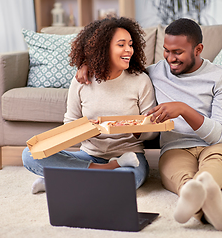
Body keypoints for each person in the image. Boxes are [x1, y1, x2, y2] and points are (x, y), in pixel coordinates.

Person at [76, 18, 222, 231]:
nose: (170, 59)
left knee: (215, 162)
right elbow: (120, 65)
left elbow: (221, 135)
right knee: (182, 178)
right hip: (176, 148)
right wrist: (88, 64)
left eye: (178, 52)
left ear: (198, 49)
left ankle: (203, 188)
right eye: (166, 50)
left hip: (218, 147)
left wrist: (183, 109)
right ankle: (206, 200)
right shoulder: (154, 73)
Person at [22, 16, 157, 194]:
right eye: (121, 44)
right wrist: (85, 128)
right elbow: (69, 124)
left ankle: (59, 181)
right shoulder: (81, 81)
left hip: (129, 155)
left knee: (127, 180)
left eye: (130, 45)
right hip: (89, 155)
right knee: (30, 154)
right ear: (103, 48)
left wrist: (138, 129)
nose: (128, 50)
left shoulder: (141, 81)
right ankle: (106, 170)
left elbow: (153, 131)